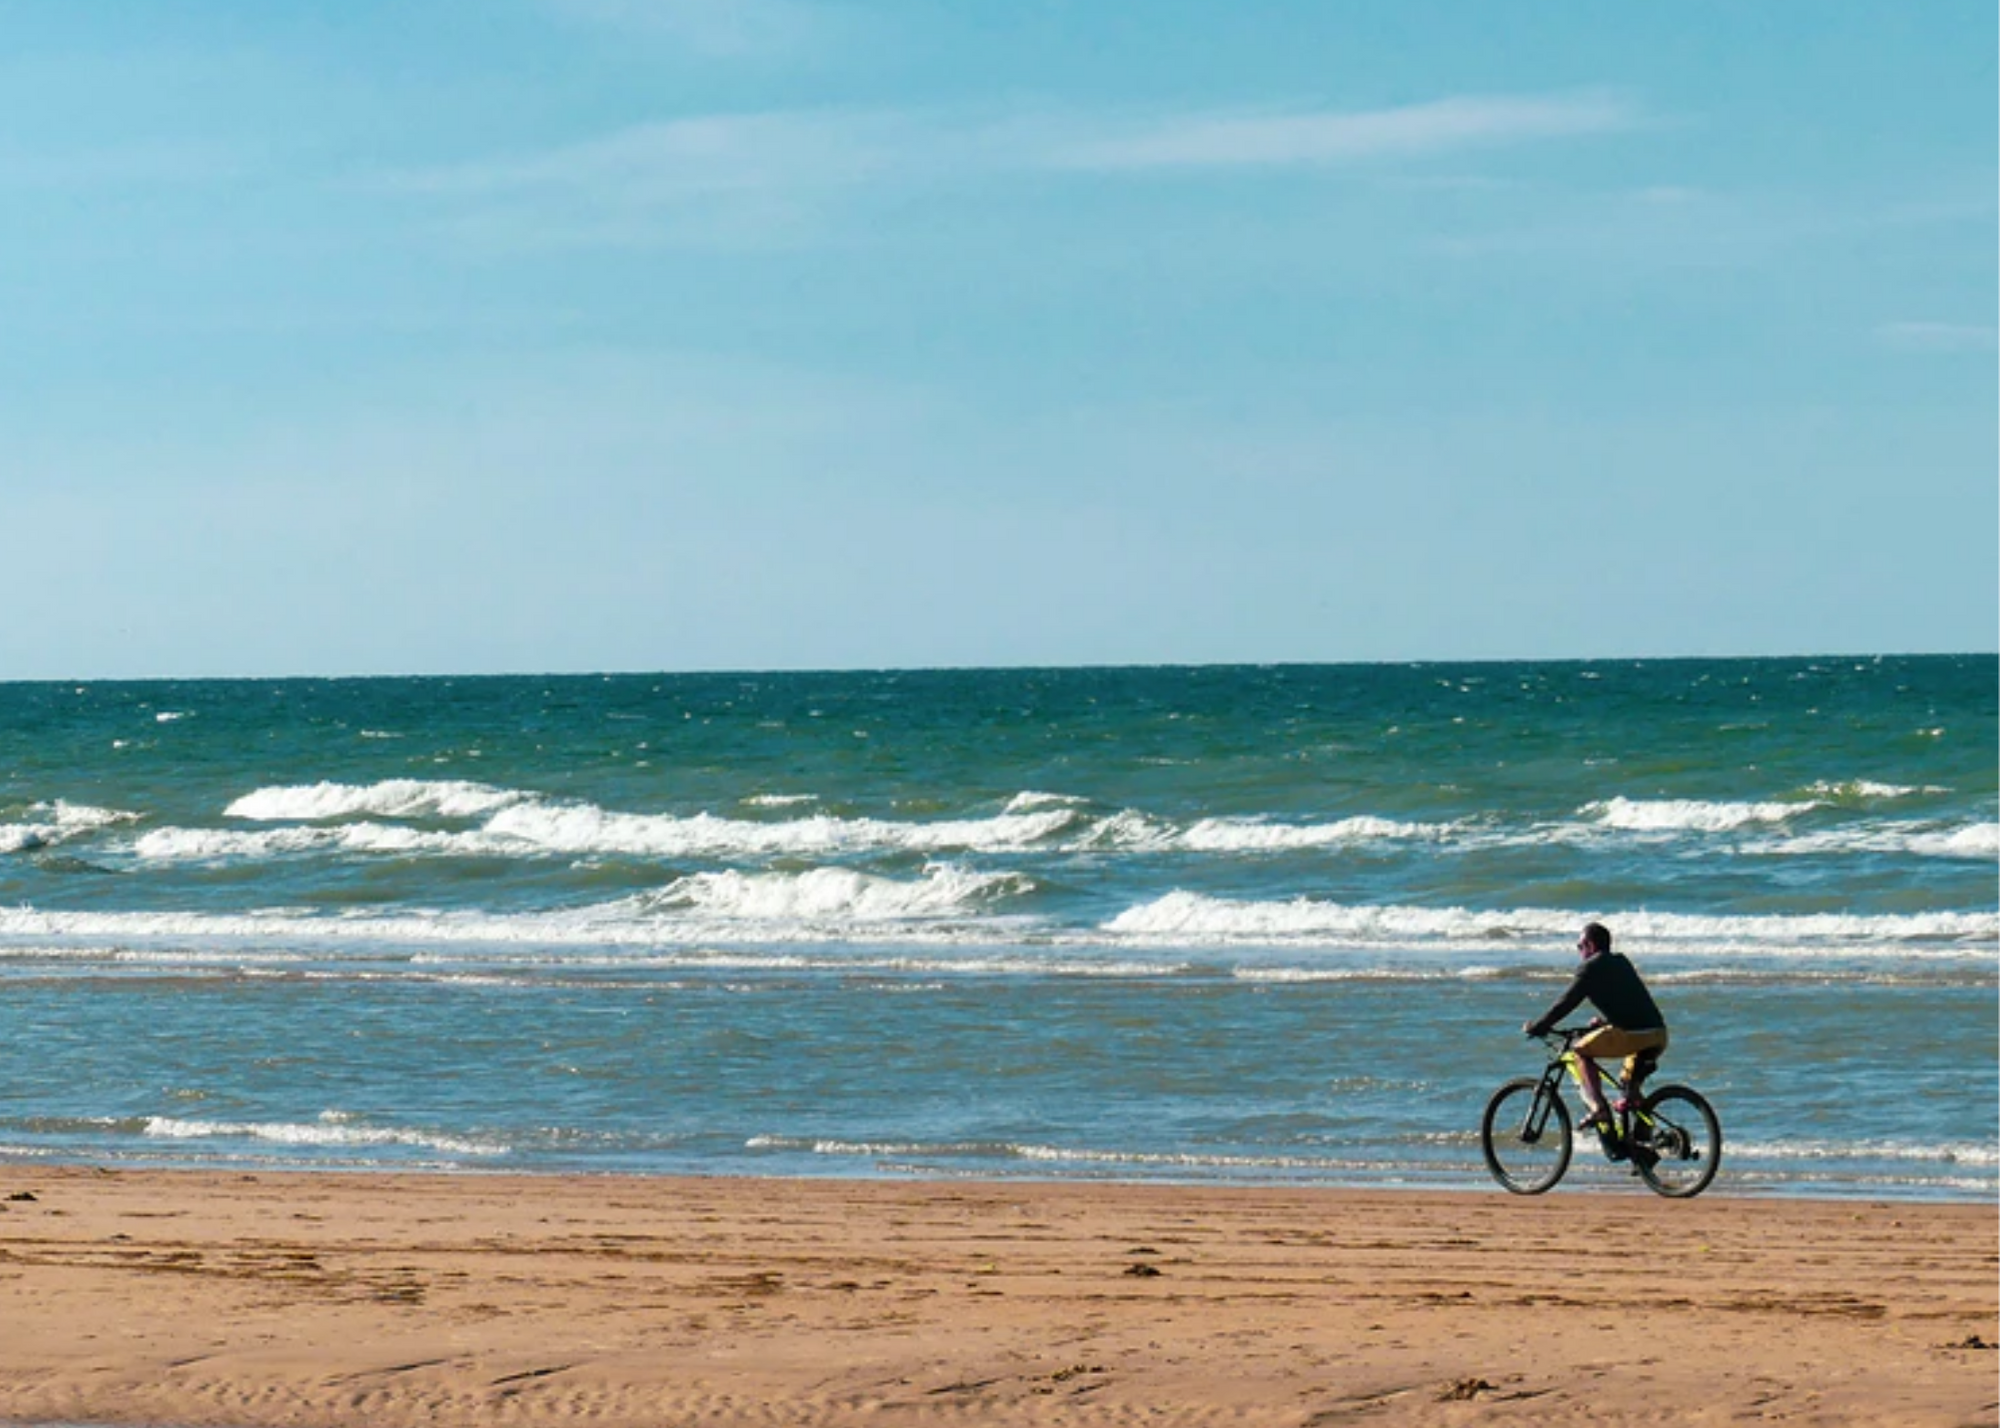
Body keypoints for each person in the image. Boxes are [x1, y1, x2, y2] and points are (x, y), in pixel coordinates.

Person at [1524, 922, 1668, 1154]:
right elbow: (1629, 1001)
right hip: (1658, 1034)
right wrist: (1606, 1023)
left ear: (1590, 945)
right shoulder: (1621, 961)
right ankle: (1642, 1146)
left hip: (1633, 1035)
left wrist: (1540, 1026)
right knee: (1629, 1088)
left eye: (1580, 946)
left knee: (1580, 1052)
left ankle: (1599, 1108)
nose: (1579, 952)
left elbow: (1566, 1003)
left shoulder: (1589, 968)